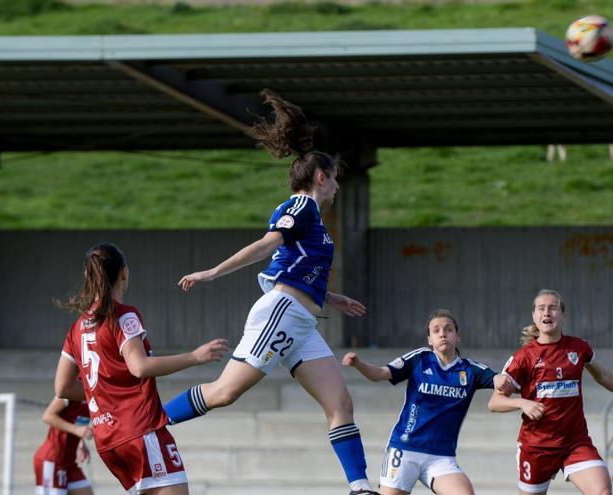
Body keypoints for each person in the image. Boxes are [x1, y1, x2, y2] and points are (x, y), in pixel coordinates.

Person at [162, 89, 378, 495]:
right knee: (224, 393)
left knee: (340, 404)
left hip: (302, 320)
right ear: (321, 176)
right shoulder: (301, 208)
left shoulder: (309, 214)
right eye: (334, 179)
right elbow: (266, 246)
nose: (336, 187)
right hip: (282, 314)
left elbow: (292, 265)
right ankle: (147, 421)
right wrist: (213, 272)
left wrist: (330, 297)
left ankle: (361, 487)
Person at [54, 242, 228, 495]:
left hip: (108, 441)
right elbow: (140, 367)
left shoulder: (77, 328)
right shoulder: (123, 315)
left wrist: (105, 394)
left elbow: (62, 388)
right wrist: (194, 356)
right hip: (139, 431)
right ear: (124, 272)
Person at [488, 289, 613, 495]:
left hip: (575, 442)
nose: (547, 313)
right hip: (537, 447)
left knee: (602, 491)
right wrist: (522, 403)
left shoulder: (579, 347)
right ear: (534, 316)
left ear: (563, 315)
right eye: (541, 308)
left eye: (553, 308)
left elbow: (602, 376)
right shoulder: (524, 357)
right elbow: (494, 402)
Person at [342, 309, 504, 495]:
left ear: (458, 336)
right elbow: (380, 373)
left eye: (448, 329)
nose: (442, 333)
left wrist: (500, 379)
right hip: (405, 449)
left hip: (441, 457)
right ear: (429, 339)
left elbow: (499, 380)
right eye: (436, 330)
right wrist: (358, 364)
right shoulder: (420, 358)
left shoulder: (470, 369)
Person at [33, 396, 93, 495]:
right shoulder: (69, 390)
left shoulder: (91, 393)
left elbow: (76, 420)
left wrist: (81, 442)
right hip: (52, 460)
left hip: (69, 462)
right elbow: (47, 416)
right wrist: (76, 430)